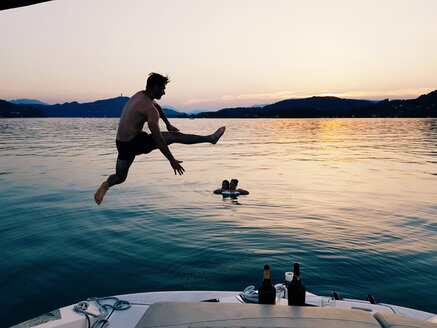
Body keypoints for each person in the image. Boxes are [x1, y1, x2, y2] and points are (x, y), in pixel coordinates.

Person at [94, 73, 226, 205]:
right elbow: (158, 139)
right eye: (163, 88)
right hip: (134, 142)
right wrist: (171, 160)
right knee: (175, 136)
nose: (164, 92)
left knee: (120, 177)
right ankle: (211, 138)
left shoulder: (140, 95)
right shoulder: (150, 109)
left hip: (121, 144)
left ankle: (105, 186)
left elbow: (157, 105)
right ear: (155, 86)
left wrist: (168, 124)